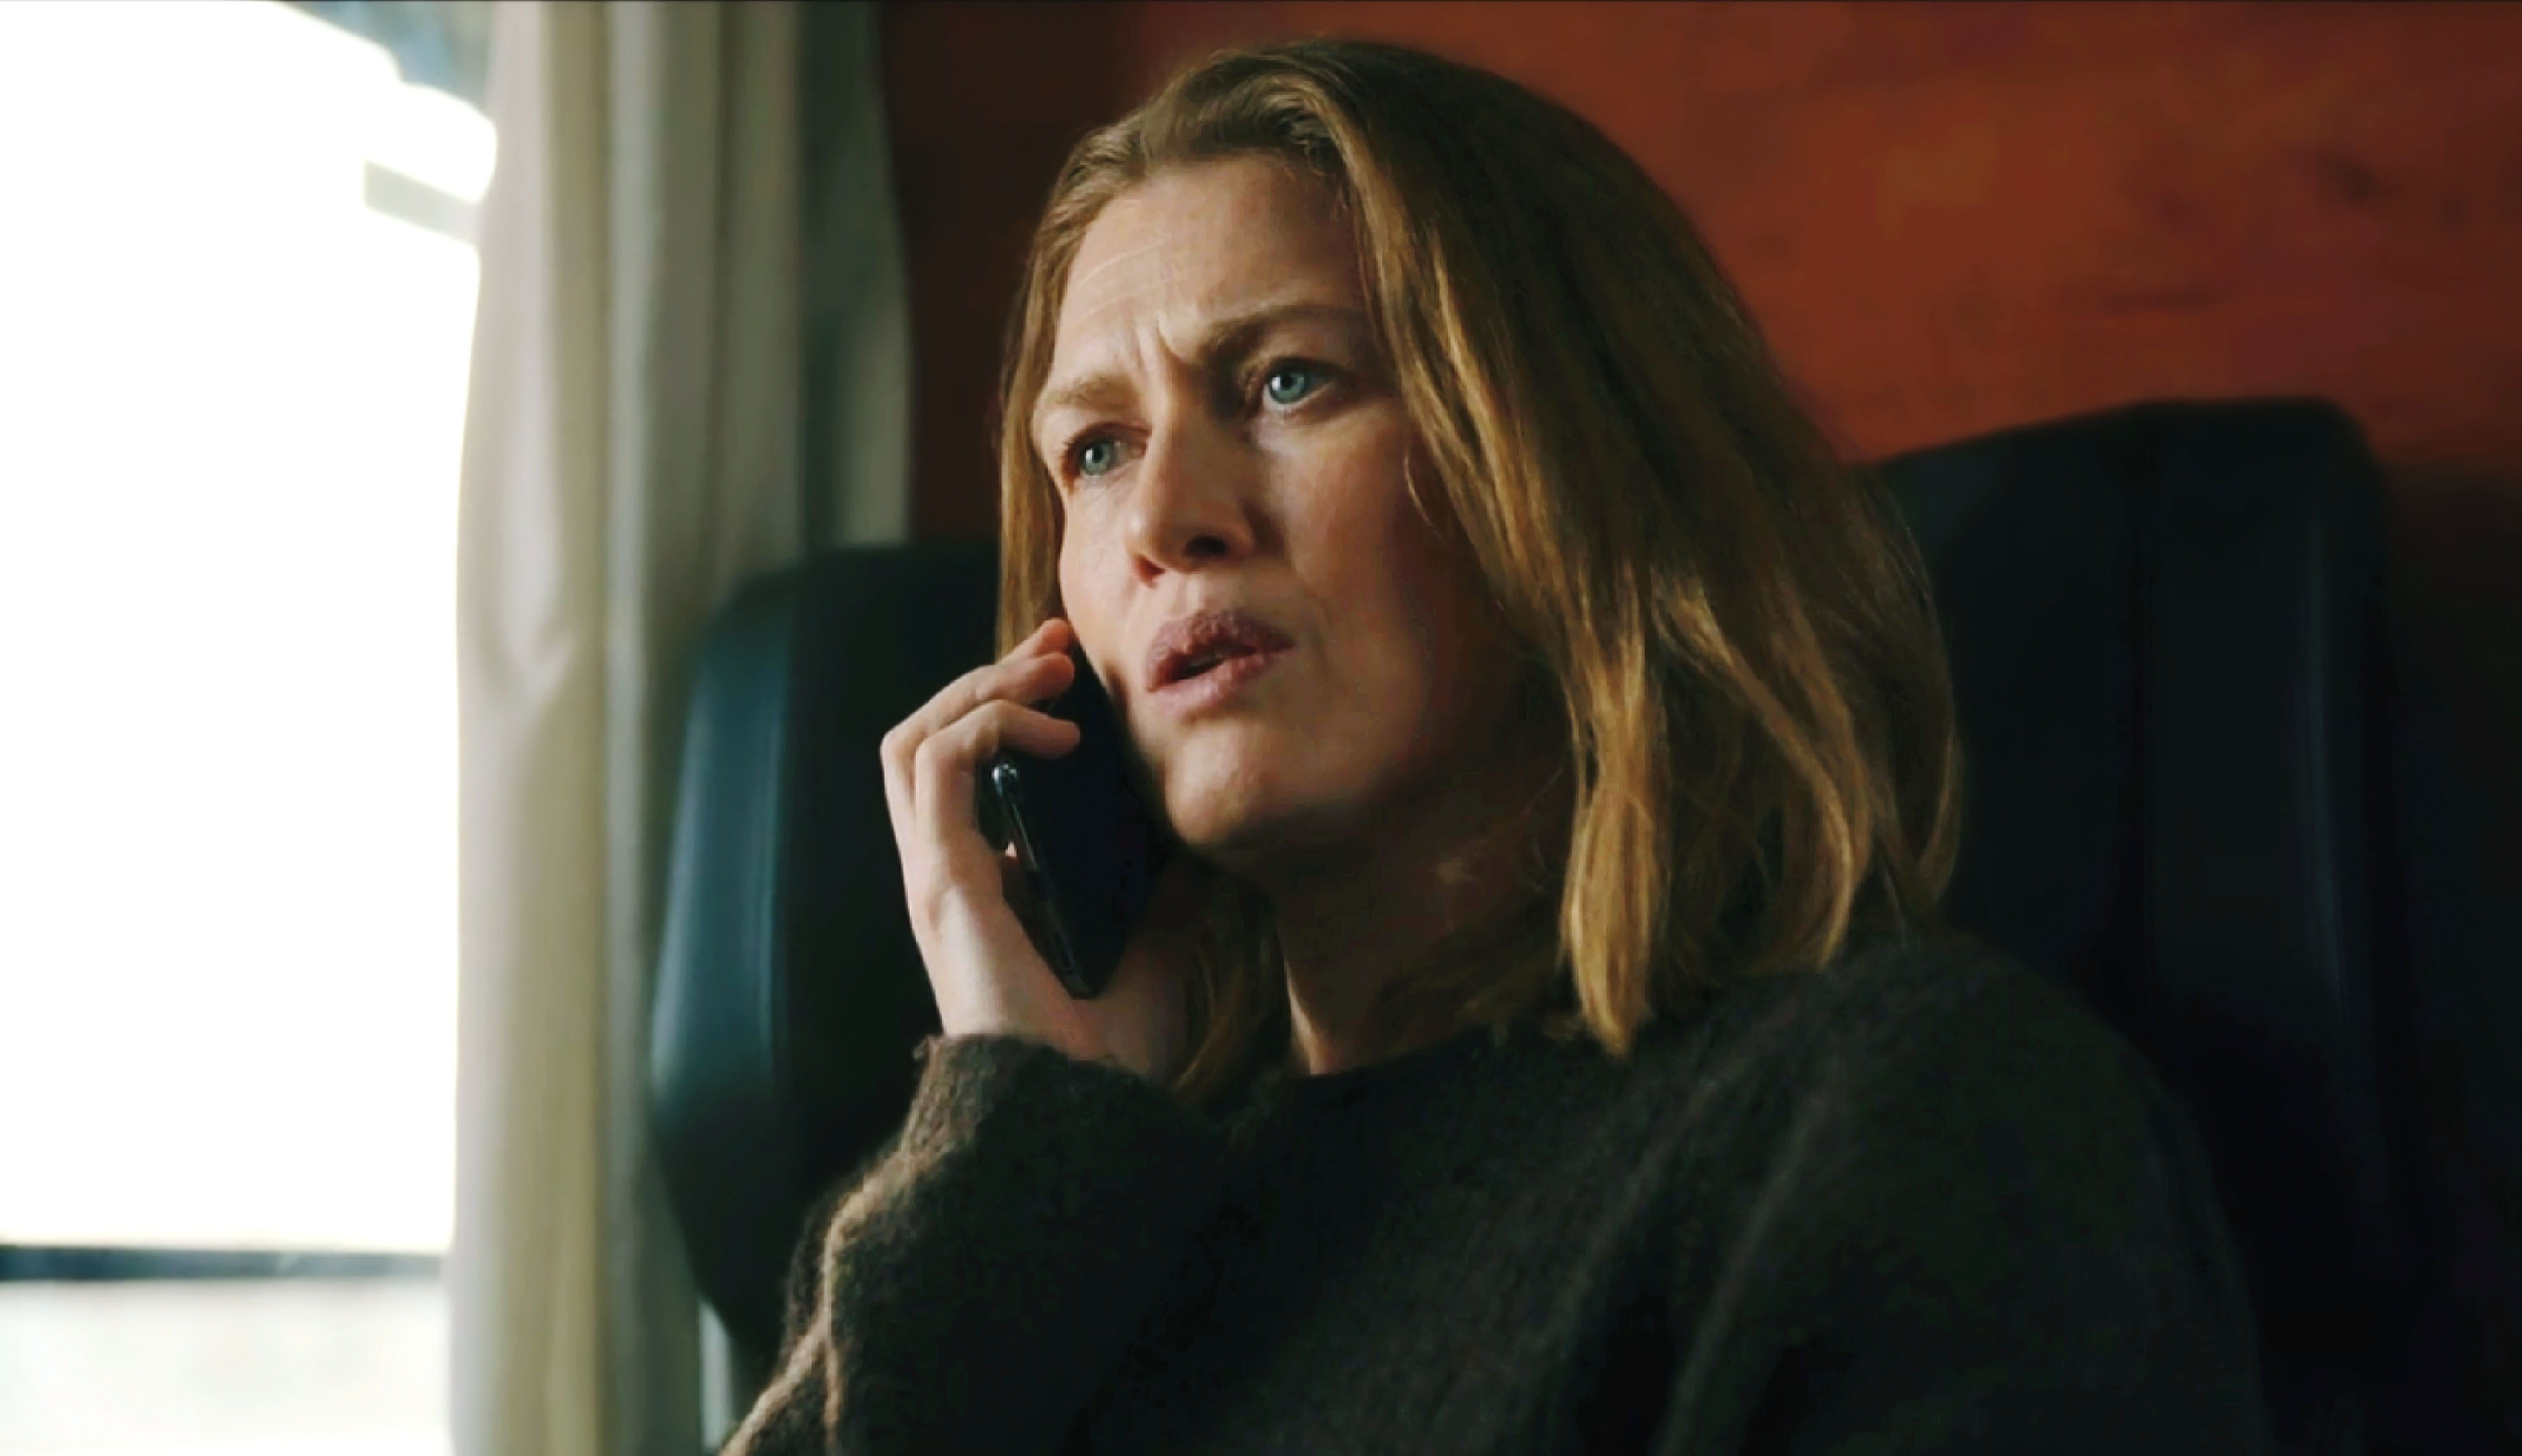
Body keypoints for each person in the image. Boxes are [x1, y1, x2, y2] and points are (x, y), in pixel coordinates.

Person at [724, 36, 2271, 1455]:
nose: (1164, 519)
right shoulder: (1009, 1213)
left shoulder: (1916, 1119)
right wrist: (1018, 1140)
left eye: (1287, 381)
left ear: (1580, 465)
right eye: (1097, 448)